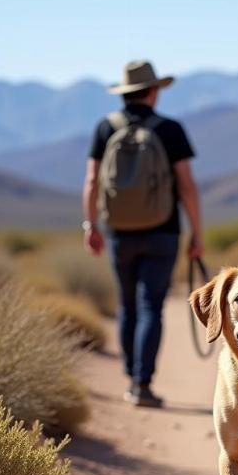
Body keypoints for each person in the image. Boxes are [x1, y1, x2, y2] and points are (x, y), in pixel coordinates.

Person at [82, 60, 203, 408]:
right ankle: (142, 383)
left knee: (127, 305)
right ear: (153, 92)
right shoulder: (170, 129)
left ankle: (130, 375)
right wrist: (197, 233)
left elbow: (92, 181)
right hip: (163, 232)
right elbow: (187, 186)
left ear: (124, 94)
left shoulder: (105, 128)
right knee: (152, 306)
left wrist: (91, 225)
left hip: (119, 232)